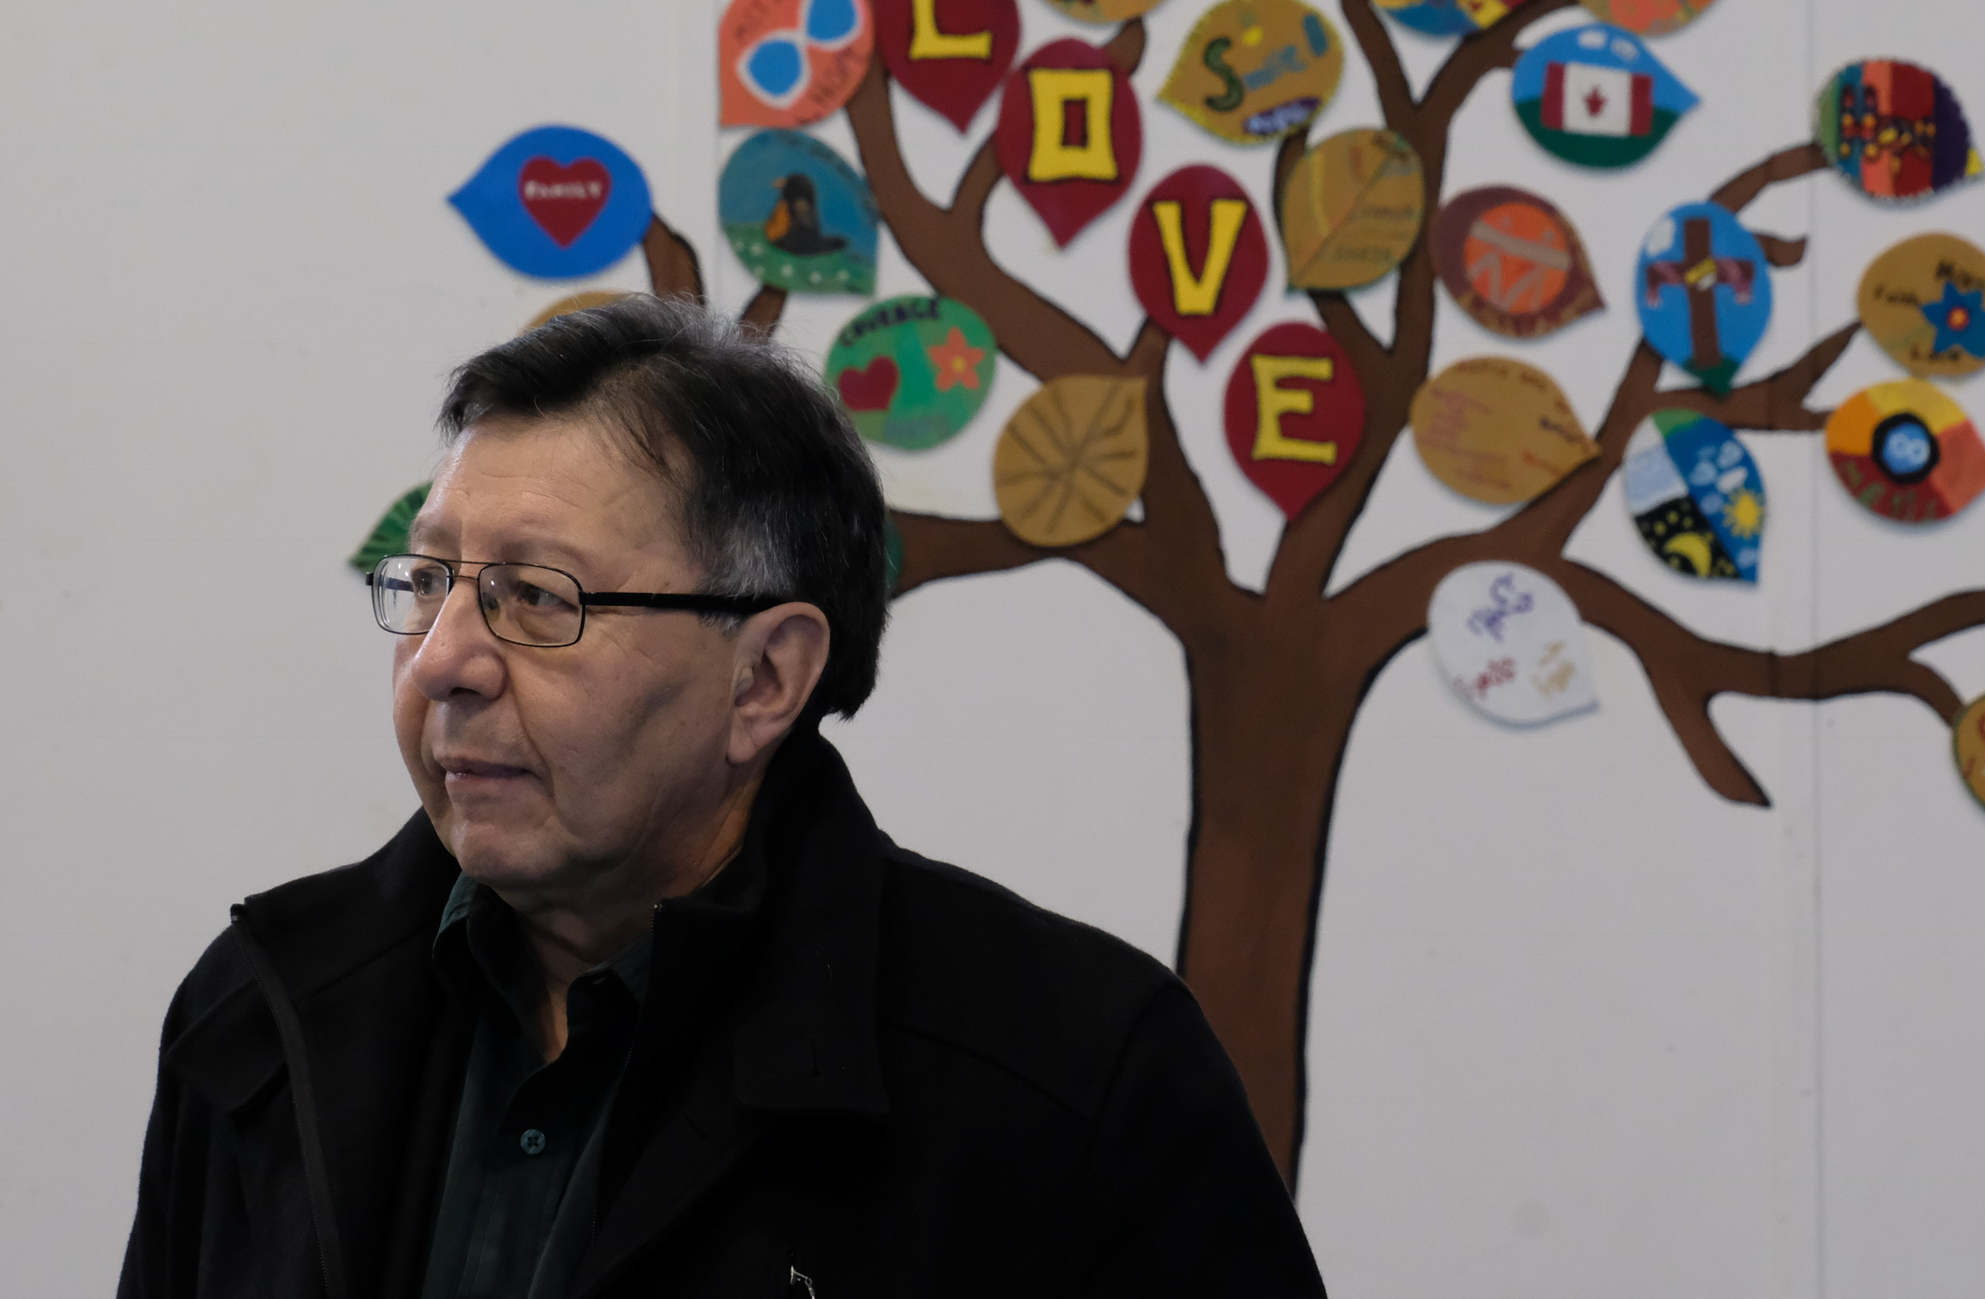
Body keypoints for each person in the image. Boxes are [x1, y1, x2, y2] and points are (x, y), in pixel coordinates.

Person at [118, 295, 1325, 1298]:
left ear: (764, 679)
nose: (442, 658)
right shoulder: (261, 1014)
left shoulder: (1069, 1076)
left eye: (538, 598)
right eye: (429, 579)